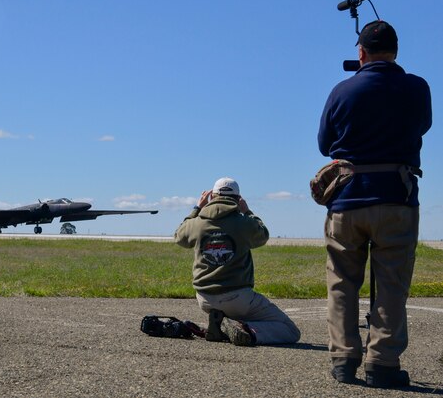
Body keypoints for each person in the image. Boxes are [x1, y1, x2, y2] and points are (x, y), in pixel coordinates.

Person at [318, 20, 432, 388]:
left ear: (361, 53)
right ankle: (382, 363)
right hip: (396, 197)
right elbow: (423, 126)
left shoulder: (342, 90)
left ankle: (343, 359)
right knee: (391, 284)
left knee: (342, 282)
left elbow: (324, 143)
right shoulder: (417, 88)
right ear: (396, 51)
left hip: (347, 199)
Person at [173, 177, 300, 347]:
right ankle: (246, 330)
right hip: (238, 298)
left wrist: (197, 208)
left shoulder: (197, 223)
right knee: (290, 330)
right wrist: (247, 211)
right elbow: (263, 235)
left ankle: (217, 326)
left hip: (205, 299)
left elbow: (179, 236)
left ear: (211, 197)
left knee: (229, 310)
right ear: (238, 199)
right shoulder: (244, 223)